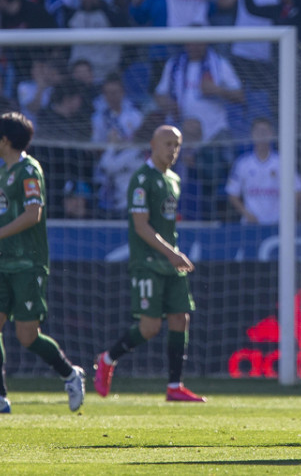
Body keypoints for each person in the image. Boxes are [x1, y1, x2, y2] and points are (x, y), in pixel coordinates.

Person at [0, 112, 86, 414]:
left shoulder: (29, 170)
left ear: (4, 140)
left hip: (27, 264)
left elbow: (34, 214)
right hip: (2, 263)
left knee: (26, 335)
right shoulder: (3, 172)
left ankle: (70, 374)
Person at [94, 125, 207, 402]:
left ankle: (174, 386)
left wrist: (172, 253)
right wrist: (172, 253)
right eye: (168, 144)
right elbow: (141, 227)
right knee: (149, 327)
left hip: (169, 259)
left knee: (181, 317)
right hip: (148, 262)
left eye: (177, 145)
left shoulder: (174, 180)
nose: (173, 150)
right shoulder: (141, 179)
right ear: (153, 145)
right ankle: (108, 359)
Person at [226, 117, 301, 224]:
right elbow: (232, 194)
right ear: (252, 134)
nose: (261, 135)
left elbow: (298, 190)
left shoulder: (283, 162)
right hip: (251, 223)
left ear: (272, 134)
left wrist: (285, 214)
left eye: (265, 131)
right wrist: (247, 214)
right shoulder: (242, 163)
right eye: (258, 131)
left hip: (278, 223)